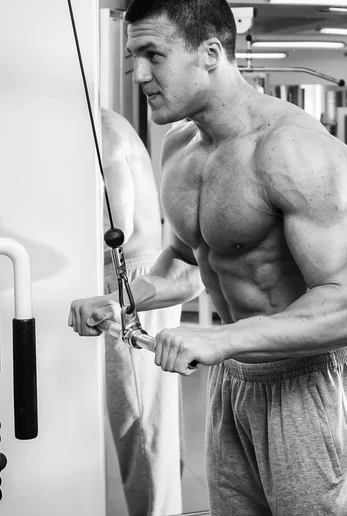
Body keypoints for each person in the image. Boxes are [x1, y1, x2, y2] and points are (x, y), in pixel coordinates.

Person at [69, 0, 347, 516]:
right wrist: (124, 302)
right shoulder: (181, 149)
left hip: (310, 386)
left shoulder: (294, 150)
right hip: (235, 383)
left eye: (154, 55)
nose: (140, 74)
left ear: (211, 53)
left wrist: (225, 338)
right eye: (134, 56)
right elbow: (190, 265)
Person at [102, 107, 182, 516]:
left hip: (132, 278)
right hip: (132, 275)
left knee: (140, 420)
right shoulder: (109, 123)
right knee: (141, 417)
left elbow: (118, 225)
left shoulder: (104, 130)